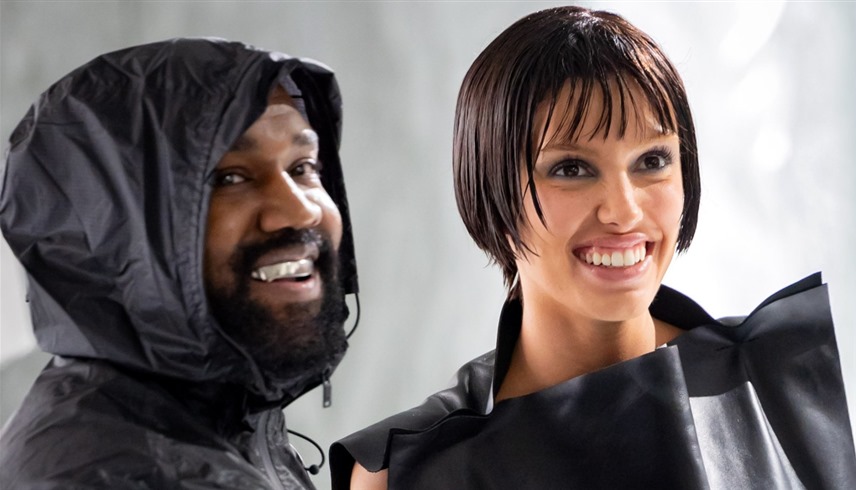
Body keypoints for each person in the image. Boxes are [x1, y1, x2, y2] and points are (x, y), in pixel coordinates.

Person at [330, 6, 856, 489]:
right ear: (489, 186)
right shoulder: (412, 472)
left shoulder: (786, 377)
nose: (624, 211)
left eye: (652, 161)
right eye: (571, 168)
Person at [0, 38, 358, 489]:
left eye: (303, 167)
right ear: (115, 231)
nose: (300, 211)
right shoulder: (123, 476)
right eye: (230, 177)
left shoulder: (203, 426)